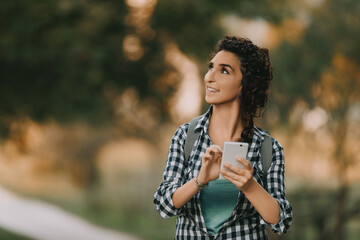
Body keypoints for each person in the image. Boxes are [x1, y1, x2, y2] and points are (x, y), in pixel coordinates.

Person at [154, 36, 293, 239]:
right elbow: (164, 205)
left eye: (224, 70)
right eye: (211, 67)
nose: (209, 77)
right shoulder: (186, 136)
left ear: (245, 85)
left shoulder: (267, 148)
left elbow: (281, 222)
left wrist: (249, 185)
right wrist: (199, 181)